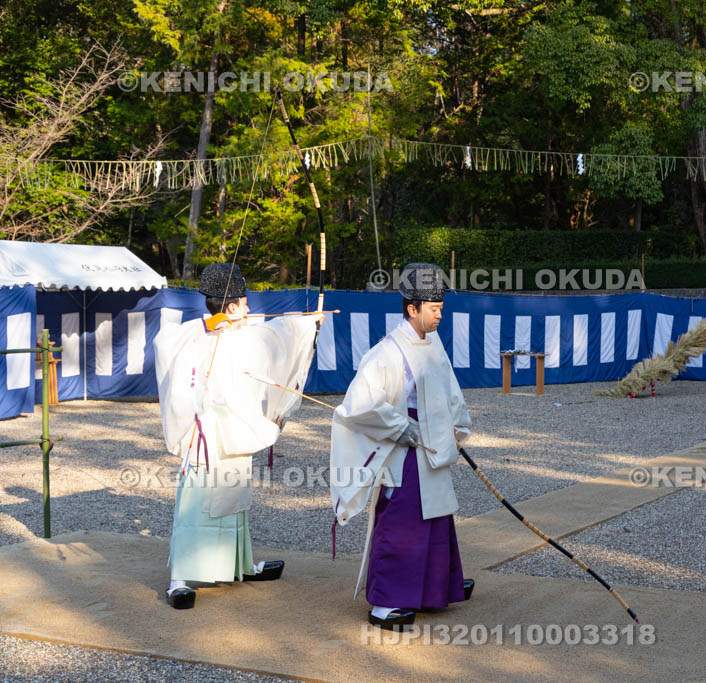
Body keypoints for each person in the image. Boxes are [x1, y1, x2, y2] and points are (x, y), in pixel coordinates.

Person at [155, 262, 322, 609]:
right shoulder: (194, 336)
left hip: (233, 429)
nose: (248, 310)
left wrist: (308, 325)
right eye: (244, 303)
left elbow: (280, 334)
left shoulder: (245, 337)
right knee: (195, 505)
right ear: (230, 306)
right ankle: (179, 579)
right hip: (204, 437)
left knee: (233, 502)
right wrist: (207, 325)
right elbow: (165, 345)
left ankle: (239, 565)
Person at [330, 262, 473, 630]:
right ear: (412, 308)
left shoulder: (433, 343)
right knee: (402, 521)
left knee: (437, 516)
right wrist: (398, 425)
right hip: (403, 449)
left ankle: (433, 587)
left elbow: (449, 392)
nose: (441, 313)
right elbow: (358, 405)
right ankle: (385, 602)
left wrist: (455, 428)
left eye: (441, 306)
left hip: (432, 444)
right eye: (434, 307)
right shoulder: (386, 353)